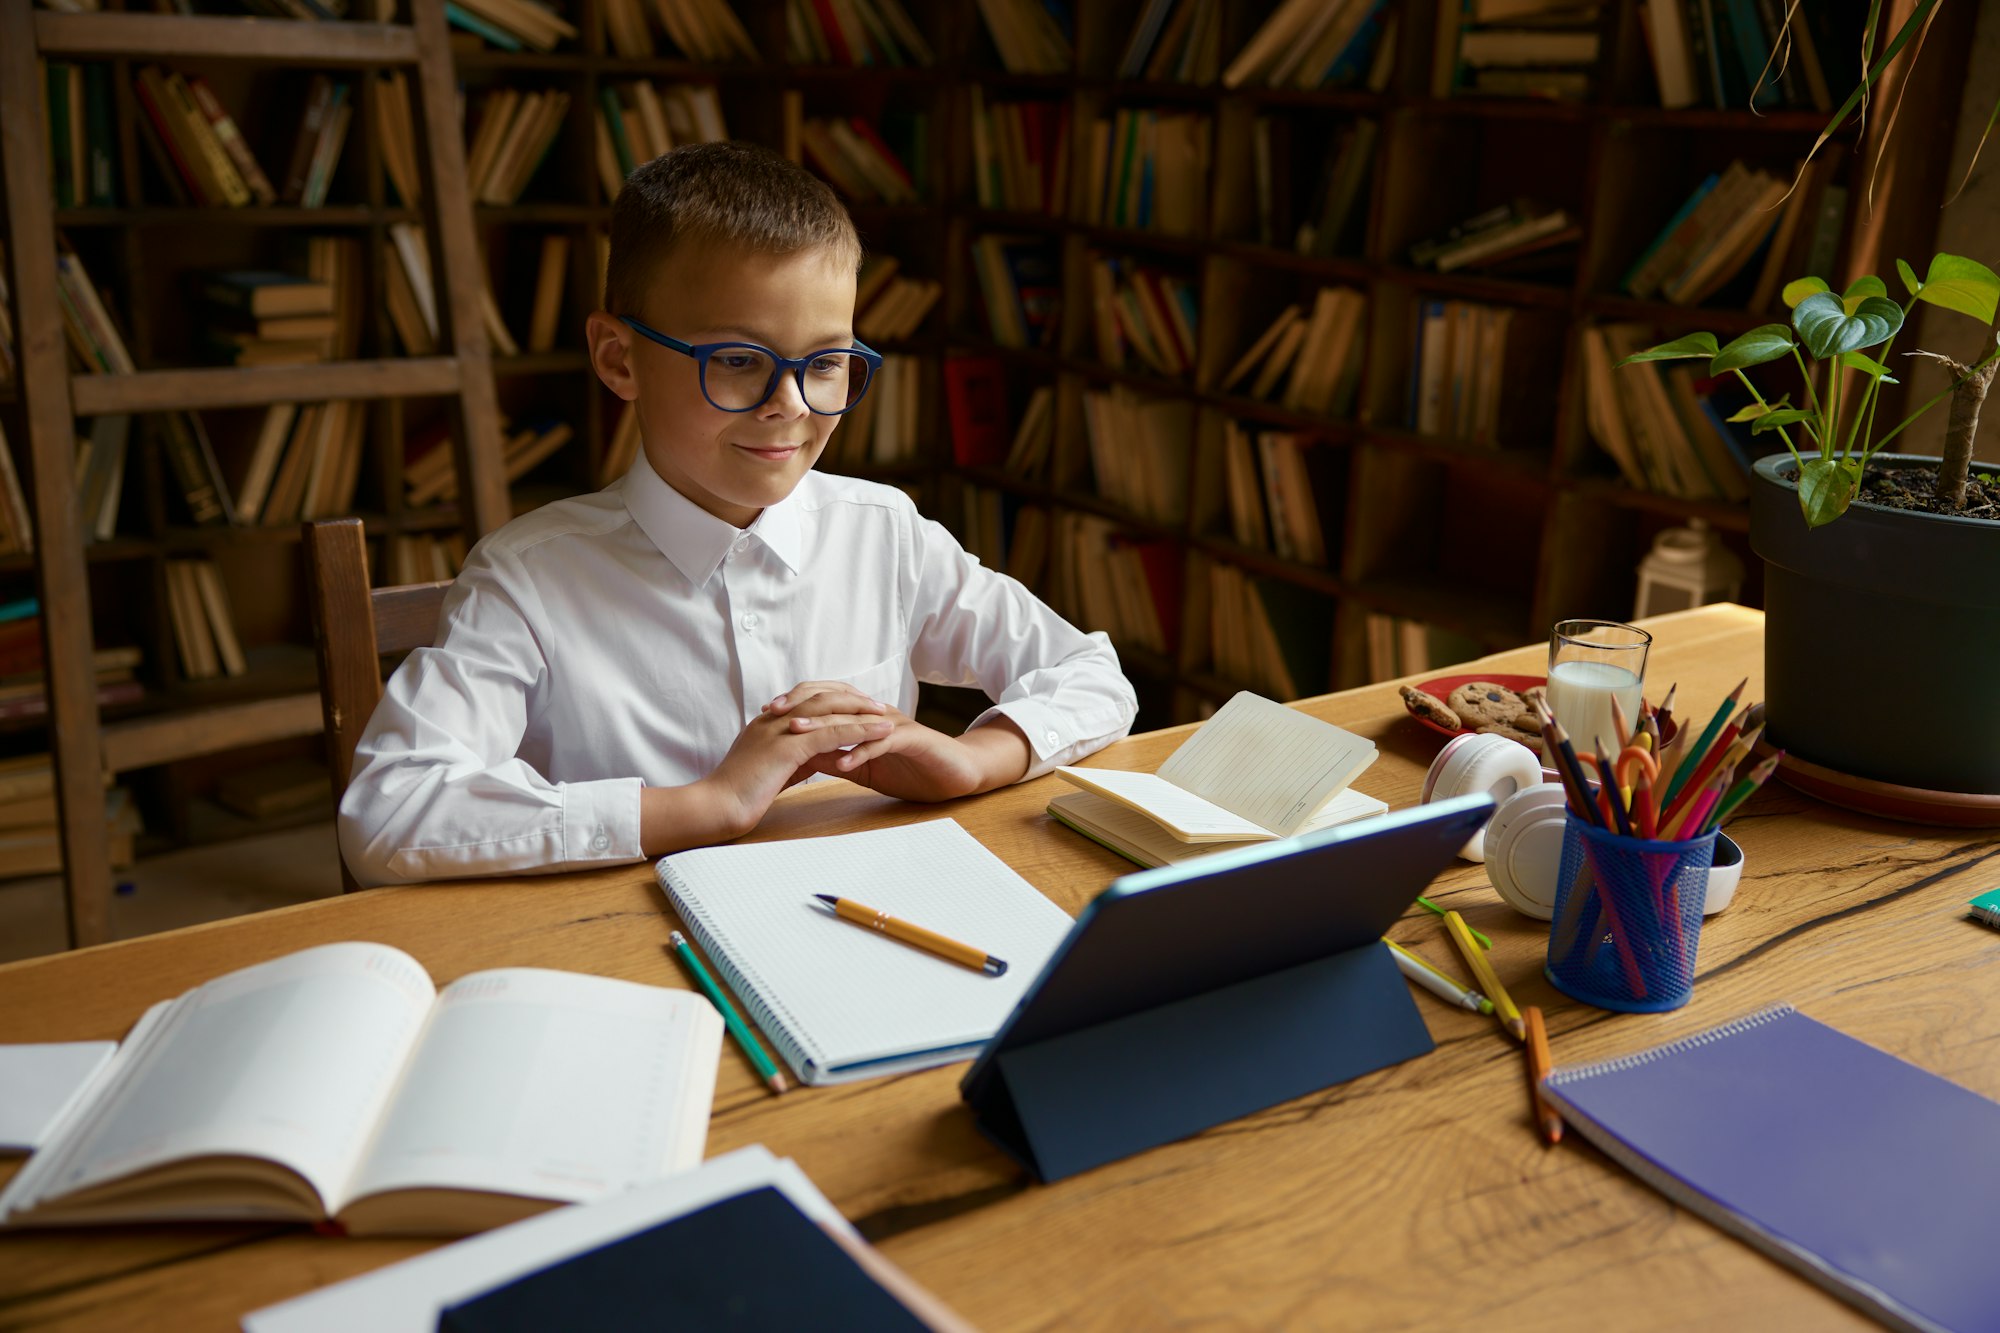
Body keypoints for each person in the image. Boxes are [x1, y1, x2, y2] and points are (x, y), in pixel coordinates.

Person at [338, 142, 1137, 886]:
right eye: (739, 361)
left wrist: (976, 759)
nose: (789, 406)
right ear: (620, 358)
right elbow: (389, 809)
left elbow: (1093, 675)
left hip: (866, 905)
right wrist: (706, 805)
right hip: (636, 945)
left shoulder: (882, 531)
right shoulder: (530, 578)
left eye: (825, 364)